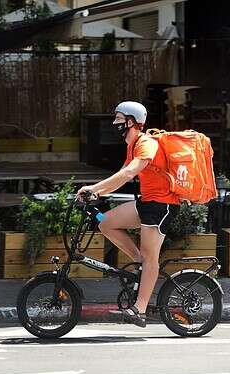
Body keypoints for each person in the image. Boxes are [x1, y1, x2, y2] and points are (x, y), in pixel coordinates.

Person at [76, 101, 180, 328]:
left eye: (118, 118)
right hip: (145, 203)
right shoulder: (132, 146)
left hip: (161, 205)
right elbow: (121, 176)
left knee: (151, 255)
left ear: (131, 121)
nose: (114, 123)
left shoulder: (146, 143)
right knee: (106, 223)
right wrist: (96, 193)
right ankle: (137, 261)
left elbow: (130, 172)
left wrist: (94, 189)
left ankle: (139, 310)